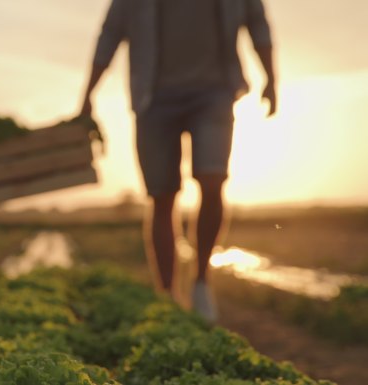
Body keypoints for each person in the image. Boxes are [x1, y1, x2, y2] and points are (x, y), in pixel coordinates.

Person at [80, 0, 277, 322]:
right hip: (153, 97)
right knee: (161, 195)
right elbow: (110, 33)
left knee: (213, 180)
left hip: (214, 92)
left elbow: (257, 20)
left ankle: (201, 281)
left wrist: (272, 77)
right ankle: (168, 295)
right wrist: (87, 94)